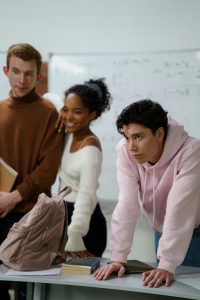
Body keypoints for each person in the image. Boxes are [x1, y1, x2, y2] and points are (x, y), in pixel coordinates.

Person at [94, 99, 200, 288]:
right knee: (163, 286)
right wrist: (118, 257)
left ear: (159, 134)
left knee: (188, 291)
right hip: (161, 229)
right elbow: (127, 202)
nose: (131, 146)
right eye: (127, 137)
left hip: (194, 231)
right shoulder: (126, 151)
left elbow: (179, 208)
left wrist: (167, 262)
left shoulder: (192, 151)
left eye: (138, 137)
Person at [0, 43, 64, 300]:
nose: (22, 79)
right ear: (6, 71)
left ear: (39, 76)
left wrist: (13, 197)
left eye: (29, 73)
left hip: (31, 216)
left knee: (29, 290)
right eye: (16, 71)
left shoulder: (49, 113)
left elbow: (48, 171)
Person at [56, 78, 112, 257]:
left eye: (77, 112)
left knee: (78, 283)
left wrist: (75, 234)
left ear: (92, 115)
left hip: (83, 224)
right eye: (66, 110)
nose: (69, 117)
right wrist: (60, 111)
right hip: (64, 215)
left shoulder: (90, 149)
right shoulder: (70, 134)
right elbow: (48, 97)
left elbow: (86, 194)